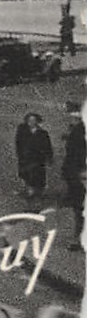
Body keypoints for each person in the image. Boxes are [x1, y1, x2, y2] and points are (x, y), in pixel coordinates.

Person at [17, 111, 54, 204]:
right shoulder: (23, 132)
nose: (31, 122)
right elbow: (19, 144)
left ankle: (37, 193)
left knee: (38, 176)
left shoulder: (43, 133)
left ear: (37, 121)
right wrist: (21, 155)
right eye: (29, 120)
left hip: (38, 159)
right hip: (26, 158)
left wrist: (49, 158)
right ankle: (30, 191)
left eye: (33, 120)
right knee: (27, 175)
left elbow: (48, 146)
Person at [62, 104, 85, 251]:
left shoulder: (79, 131)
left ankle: (77, 240)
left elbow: (76, 154)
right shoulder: (76, 130)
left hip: (79, 174)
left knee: (79, 208)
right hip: (76, 174)